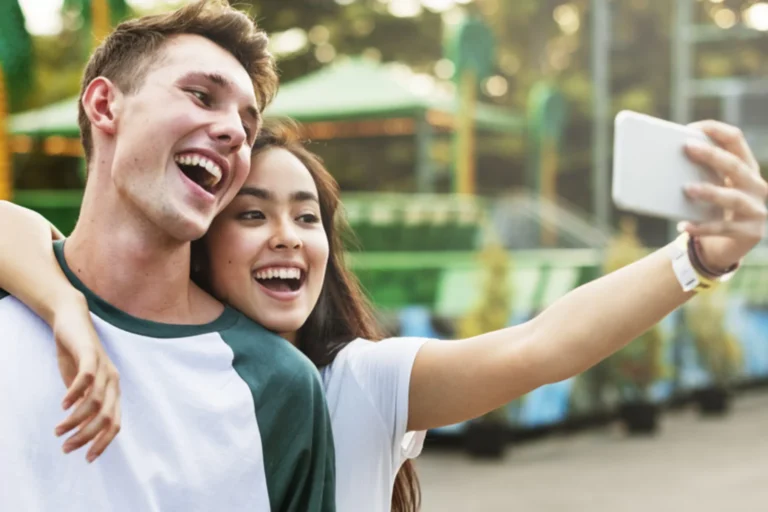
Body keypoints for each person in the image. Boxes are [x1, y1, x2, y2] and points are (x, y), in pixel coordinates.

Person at [2, 116, 766, 512]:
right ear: (199, 242)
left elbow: (541, 344)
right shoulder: (135, 358)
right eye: (253, 214)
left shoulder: (356, 383)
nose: (287, 238)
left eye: (308, 219)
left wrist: (696, 261)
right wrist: (65, 304)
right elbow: (22, 231)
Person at [0, 3, 336, 512]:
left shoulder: (279, 386)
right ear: (105, 106)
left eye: (248, 125)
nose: (234, 134)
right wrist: (64, 306)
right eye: (202, 95)